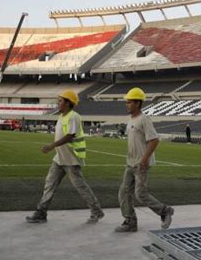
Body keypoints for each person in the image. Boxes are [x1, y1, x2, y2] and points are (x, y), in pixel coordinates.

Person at [26, 90, 104, 224]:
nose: (58, 103)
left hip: (71, 159)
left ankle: (96, 211)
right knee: (49, 184)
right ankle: (41, 213)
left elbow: (70, 136)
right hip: (60, 158)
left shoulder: (73, 116)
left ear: (68, 103)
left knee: (80, 187)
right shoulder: (62, 116)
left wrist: (51, 146)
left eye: (61, 101)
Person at [115, 87, 174, 233]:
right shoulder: (130, 121)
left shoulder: (144, 119)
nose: (127, 105)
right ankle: (130, 222)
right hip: (130, 163)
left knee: (140, 194)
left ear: (137, 103)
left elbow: (154, 140)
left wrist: (144, 159)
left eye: (129, 102)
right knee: (123, 192)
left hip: (141, 164)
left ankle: (164, 211)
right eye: (127, 102)